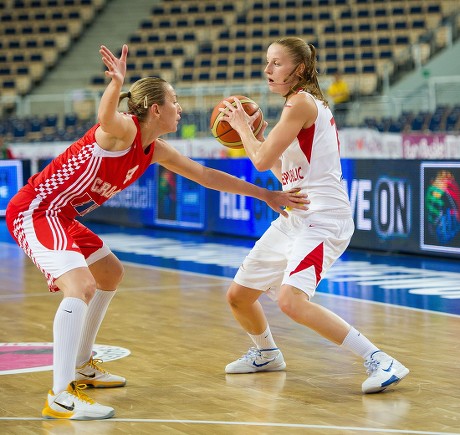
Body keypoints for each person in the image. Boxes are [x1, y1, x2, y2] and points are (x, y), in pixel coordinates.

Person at [5, 44, 308, 421]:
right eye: (175, 101)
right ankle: (62, 395)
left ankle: (83, 365)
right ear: (155, 110)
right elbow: (105, 115)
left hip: (62, 216)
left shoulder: (154, 149)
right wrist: (116, 84)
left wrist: (264, 193)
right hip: (37, 210)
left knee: (110, 273)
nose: (180, 108)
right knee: (80, 286)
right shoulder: (122, 130)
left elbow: (205, 175)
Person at [219, 37, 409, 394]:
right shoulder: (296, 106)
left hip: (325, 217)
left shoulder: (301, 103)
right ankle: (266, 353)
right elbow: (277, 168)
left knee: (291, 300)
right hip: (297, 213)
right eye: (267, 62)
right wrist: (254, 135)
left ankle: (380, 360)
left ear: (300, 69)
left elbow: (258, 161)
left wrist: (244, 129)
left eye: (276, 63)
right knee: (239, 296)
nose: (267, 70)